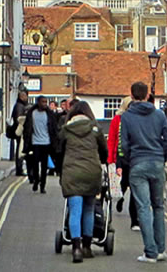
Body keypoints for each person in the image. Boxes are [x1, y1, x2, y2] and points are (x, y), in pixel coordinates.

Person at [121, 82, 167, 263]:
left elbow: (125, 144)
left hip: (138, 163)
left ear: (132, 95)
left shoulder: (127, 117)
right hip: (157, 163)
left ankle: (150, 252)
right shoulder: (159, 115)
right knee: (158, 206)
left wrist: (130, 159)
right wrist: (166, 155)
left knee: (143, 208)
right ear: (147, 95)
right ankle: (160, 249)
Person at [58, 101, 108, 263]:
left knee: (75, 210)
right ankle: (87, 247)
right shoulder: (95, 130)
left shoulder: (66, 130)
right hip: (91, 172)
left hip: (71, 172)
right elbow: (104, 152)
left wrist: (61, 169)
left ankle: (76, 248)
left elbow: (58, 151)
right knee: (89, 209)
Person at [107, 96, 139, 230]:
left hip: (134, 158)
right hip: (120, 157)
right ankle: (120, 198)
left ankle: (134, 221)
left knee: (133, 188)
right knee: (124, 182)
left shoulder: (137, 120)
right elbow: (112, 138)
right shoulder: (117, 119)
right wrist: (110, 159)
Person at [23, 95, 58, 193]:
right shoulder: (32, 113)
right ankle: (35, 181)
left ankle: (42, 185)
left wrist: (55, 143)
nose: (45, 104)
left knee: (44, 166)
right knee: (35, 164)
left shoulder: (49, 114)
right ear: (38, 102)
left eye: (46, 102)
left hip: (46, 142)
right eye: (43, 102)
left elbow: (54, 129)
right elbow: (27, 128)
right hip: (35, 142)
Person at [10, 90, 29, 176]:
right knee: (20, 150)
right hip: (20, 131)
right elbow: (19, 119)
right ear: (21, 97)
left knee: (20, 149)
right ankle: (19, 169)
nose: (26, 98)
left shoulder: (19, 105)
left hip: (19, 131)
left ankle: (19, 168)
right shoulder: (20, 106)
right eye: (25, 96)